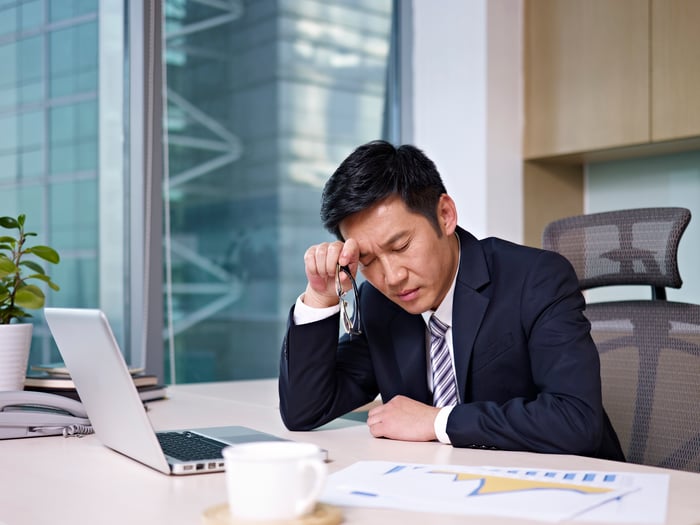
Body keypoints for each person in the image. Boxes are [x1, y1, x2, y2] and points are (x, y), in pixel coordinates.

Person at [278, 140, 625, 461]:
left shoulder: (535, 279)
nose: (393, 276)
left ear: (445, 215)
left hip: (567, 493)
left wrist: (438, 422)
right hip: (446, 488)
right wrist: (321, 297)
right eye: (367, 261)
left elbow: (576, 420)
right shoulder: (379, 302)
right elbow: (305, 410)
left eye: (400, 246)